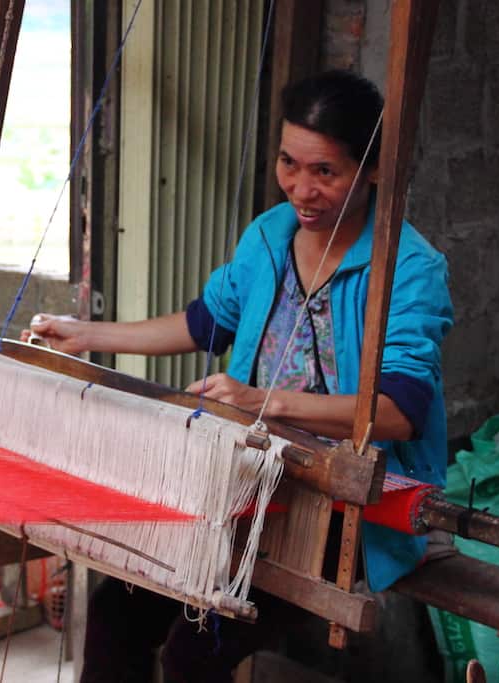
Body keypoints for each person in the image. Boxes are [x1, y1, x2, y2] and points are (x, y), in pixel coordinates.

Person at [24, 69, 453, 682]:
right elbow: (204, 322)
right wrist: (90, 335)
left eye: (325, 172)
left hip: (342, 505)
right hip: (246, 484)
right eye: (288, 164)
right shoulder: (272, 236)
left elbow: (397, 411)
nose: (300, 189)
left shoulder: (409, 269)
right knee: (116, 610)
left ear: (374, 170)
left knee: (193, 651)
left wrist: (264, 401)